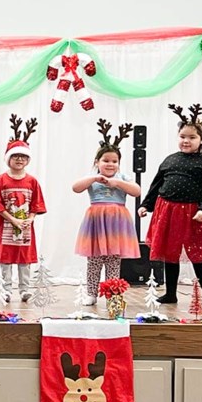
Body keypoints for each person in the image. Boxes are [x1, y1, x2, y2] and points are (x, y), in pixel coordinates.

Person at [138, 104, 202, 306]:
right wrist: (145, 205)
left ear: (201, 140)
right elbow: (156, 184)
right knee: (170, 253)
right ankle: (170, 293)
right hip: (167, 210)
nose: (186, 141)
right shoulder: (170, 160)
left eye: (192, 137)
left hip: (193, 213)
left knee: (197, 253)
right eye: (183, 136)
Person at [72, 119, 141, 305]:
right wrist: (95, 177)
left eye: (114, 161)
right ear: (97, 162)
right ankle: (91, 293)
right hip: (96, 222)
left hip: (117, 224)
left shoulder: (122, 177)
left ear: (119, 163)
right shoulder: (92, 177)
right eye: (106, 161)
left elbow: (136, 191)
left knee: (113, 261)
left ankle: (113, 293)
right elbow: (75, 188)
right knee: (94, 260)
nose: (110, 164)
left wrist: (117, 183)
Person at [0, 114, 46, 304]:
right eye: (15, 156)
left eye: (23, 157)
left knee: (24, 259)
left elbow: (36, 204)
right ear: (8, 159)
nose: (19, 160)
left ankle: (24, 289)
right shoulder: (0, 180)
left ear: (27, 160)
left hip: (25, 226)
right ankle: (4, 290)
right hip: (6, 225)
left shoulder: (32, 181)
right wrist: (12, 220)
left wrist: (30, 219)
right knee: (5, 258)